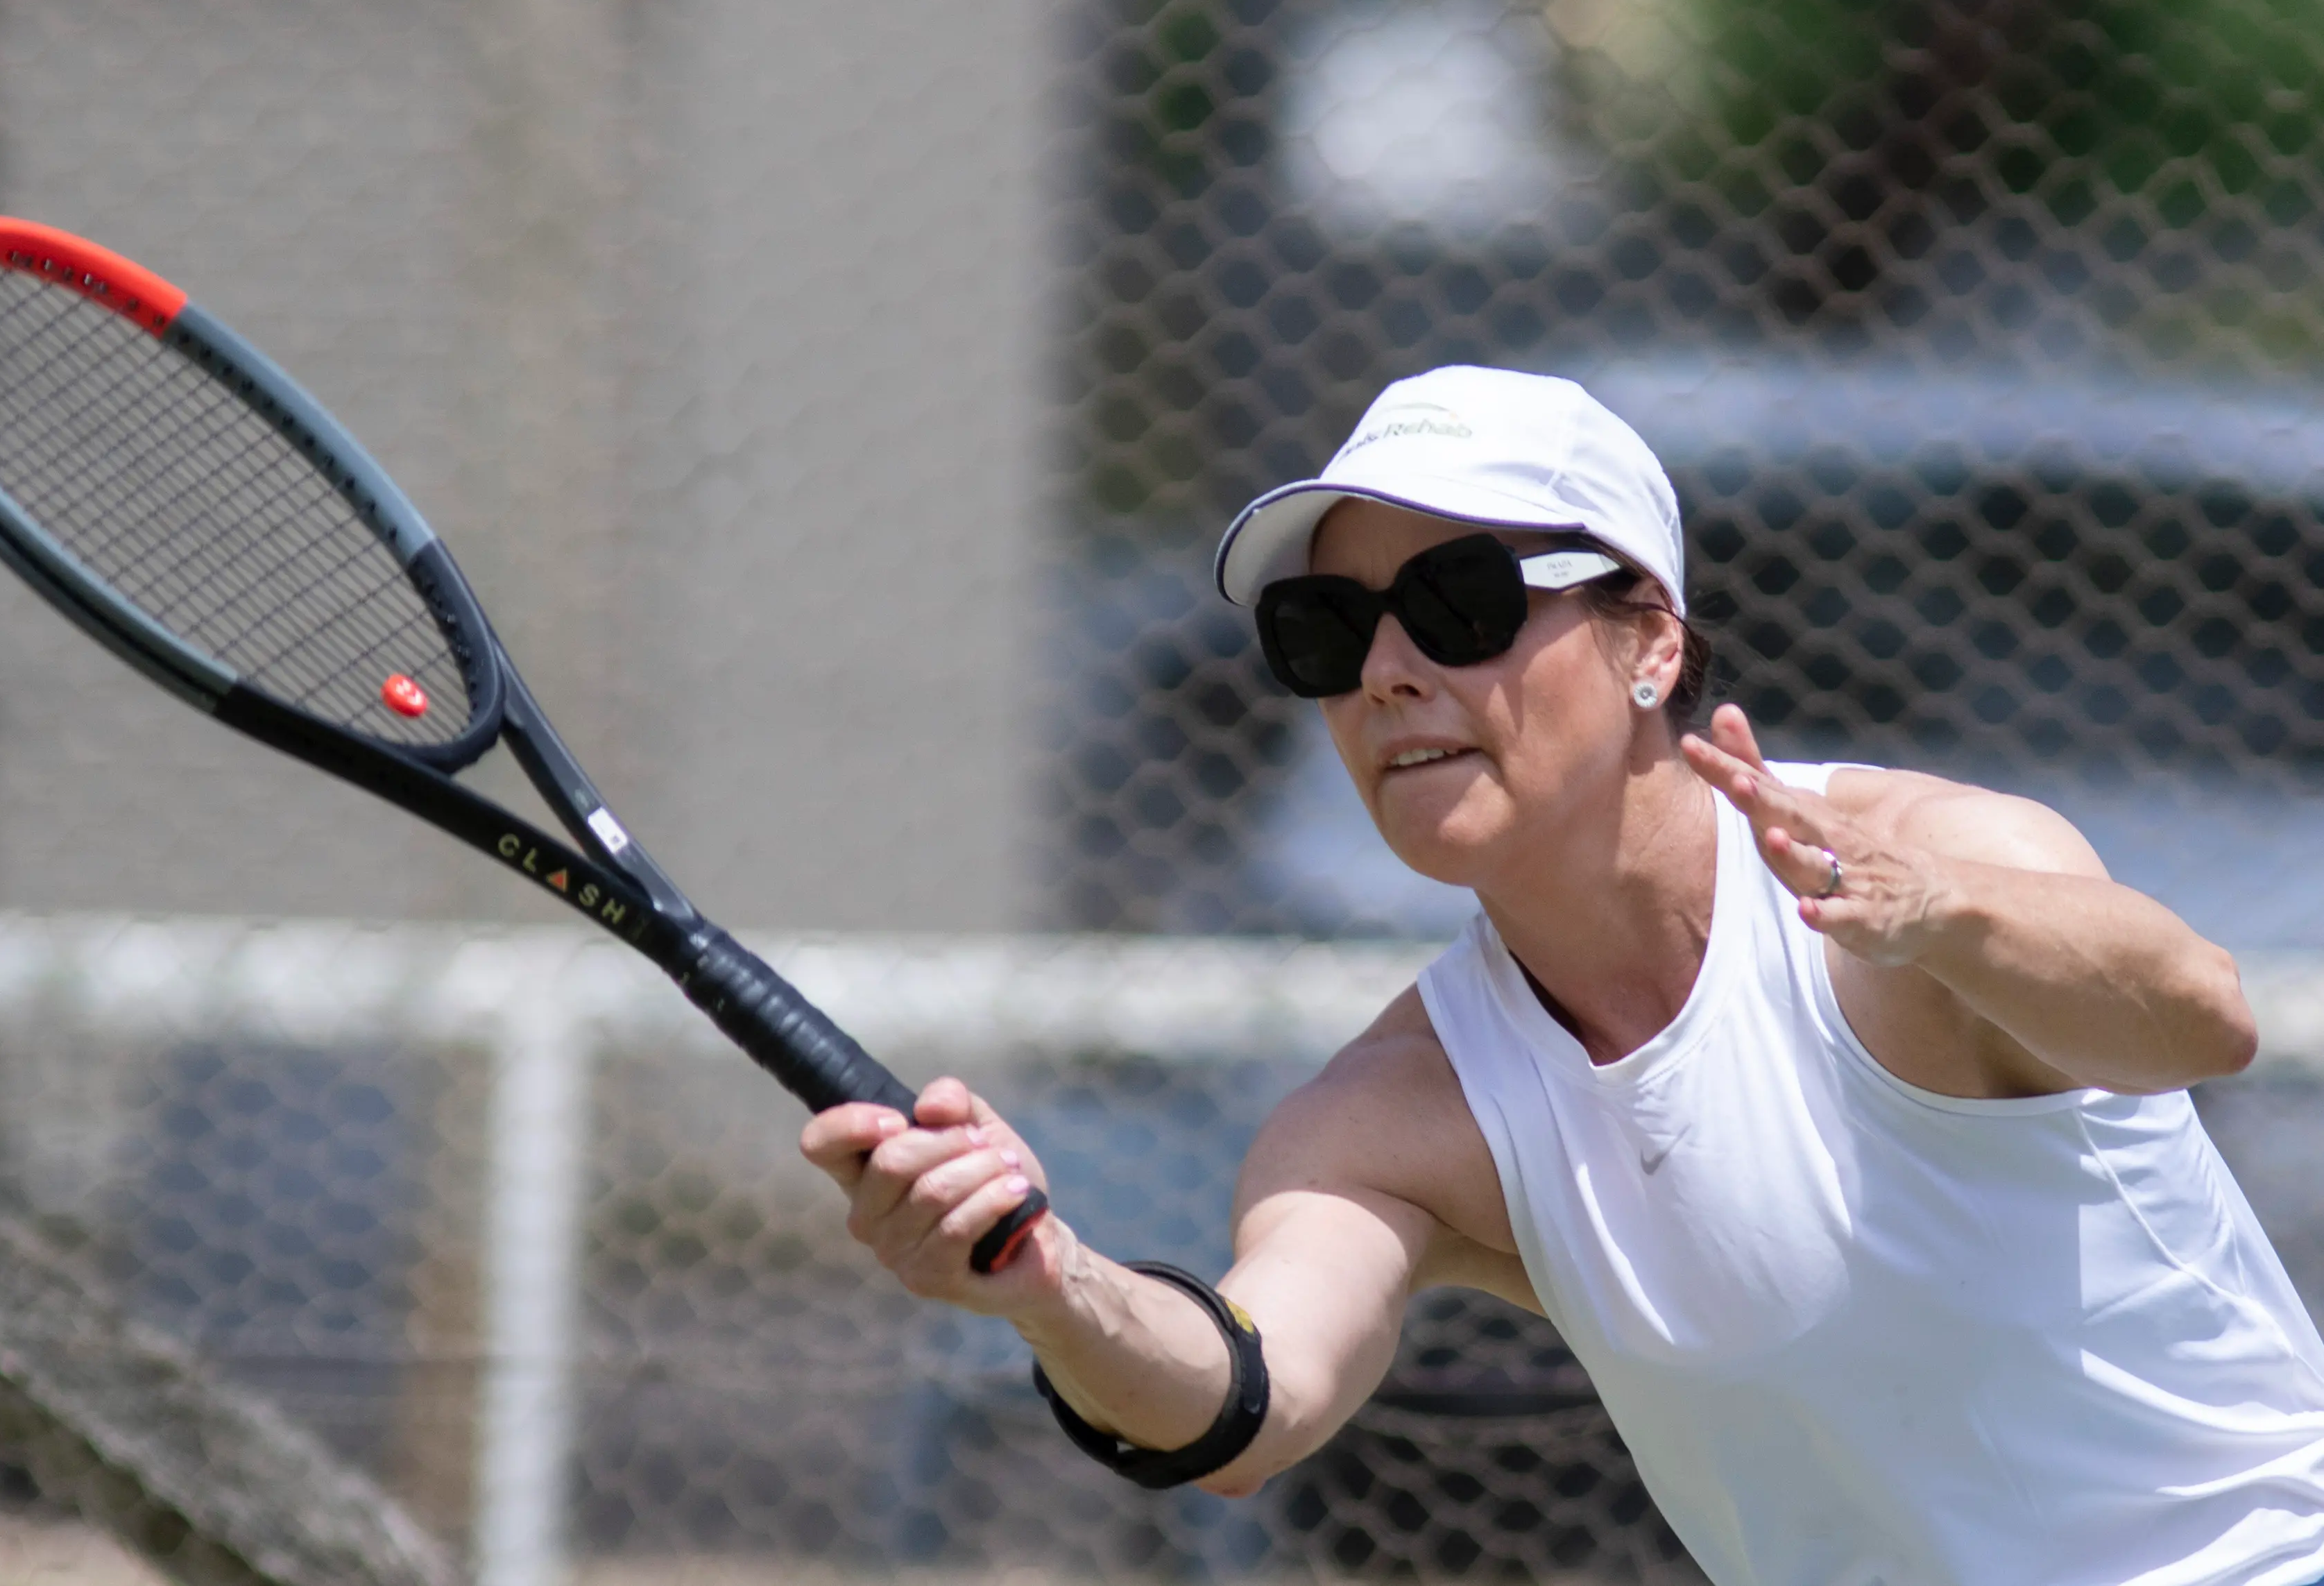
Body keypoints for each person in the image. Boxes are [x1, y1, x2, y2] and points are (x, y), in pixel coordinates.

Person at [801, 365, 2324, 1584]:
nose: (1388, 670)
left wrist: (1940, 915)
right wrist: (1051, 1287)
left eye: (1460, 603)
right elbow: (1243, 1404)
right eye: (1326, 629)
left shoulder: (1917, 868)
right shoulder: (1402, 1113)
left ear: (1650, 637)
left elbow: (2197, 1015)